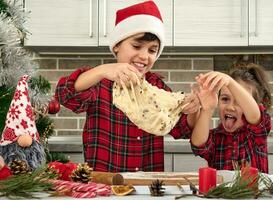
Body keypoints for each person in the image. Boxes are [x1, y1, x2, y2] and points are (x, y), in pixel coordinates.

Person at [55, 1, 200, 172]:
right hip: (105, 185)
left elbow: (181, 128)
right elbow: (65, 94)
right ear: (116, 45)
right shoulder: (100, 82)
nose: (144, 56)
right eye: (136, 46)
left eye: (152, 50)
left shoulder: (155, 86)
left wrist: (194, 107)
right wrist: (101, 70)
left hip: (147, 187)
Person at [191, 63, 272, 173]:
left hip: (254, 190)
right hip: (222, 190)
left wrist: (229, 81)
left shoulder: (256, 134)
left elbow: (254, 115)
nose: (230, 107)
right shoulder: (215, 137)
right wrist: (207, 109)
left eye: (239, 102)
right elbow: (198, 145)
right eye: (225, 99)